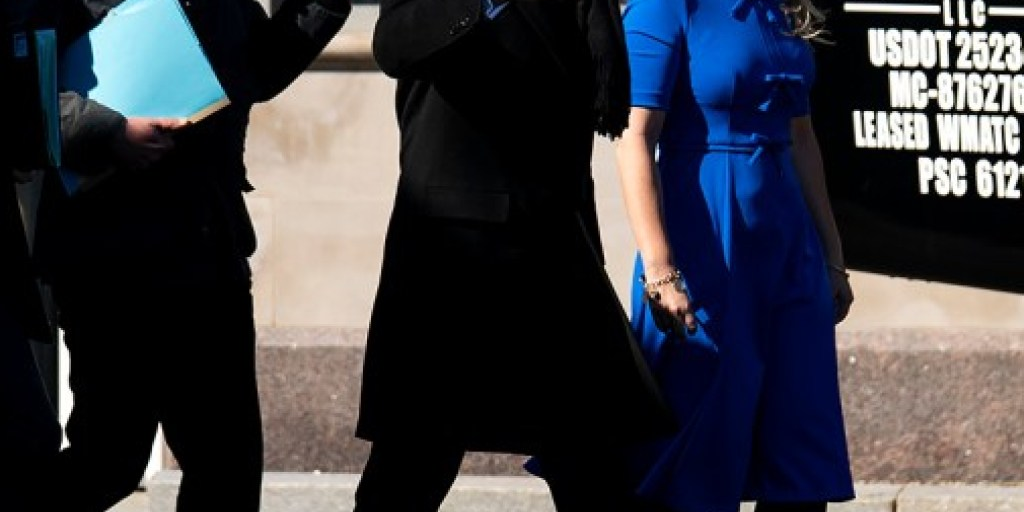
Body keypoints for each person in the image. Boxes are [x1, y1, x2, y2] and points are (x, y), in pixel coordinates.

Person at [353, 0, 676, 510]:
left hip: (553, 246)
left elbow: (581, 116)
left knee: (590, 460)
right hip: (454, 255)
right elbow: (394, 45)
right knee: (414, 461)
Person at [34, 0, 351, 510]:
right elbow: (24, 89)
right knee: (110, 459)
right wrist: (109, 132)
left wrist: (319, 6)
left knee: (226, 467)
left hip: (208, 252)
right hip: (111, 263)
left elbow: (253, 71)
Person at [613, 0, 856, 509]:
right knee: (700, 450)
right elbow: (634, 137)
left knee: (800, 451)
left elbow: (802, 138)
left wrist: (832, 255)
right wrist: (659, 268)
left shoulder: (781, 7)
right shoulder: (665, 7)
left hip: (789, 247)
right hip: (705, 244)